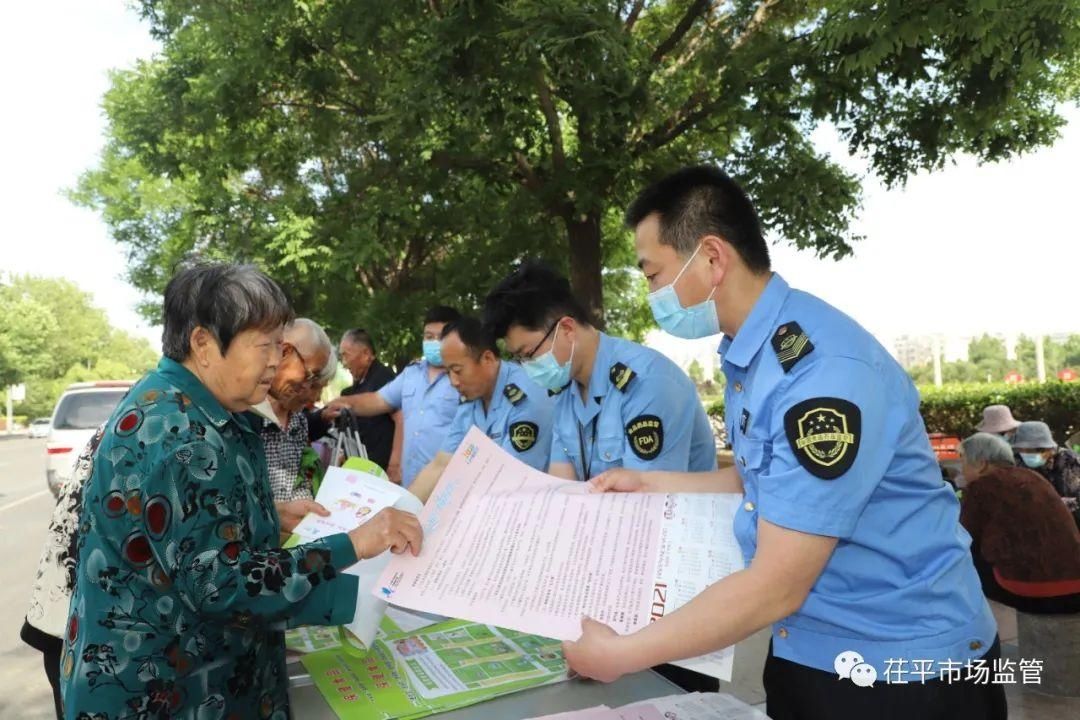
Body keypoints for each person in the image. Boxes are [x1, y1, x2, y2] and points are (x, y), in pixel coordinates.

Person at [564, 166, 1004, 719]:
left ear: (711, 258)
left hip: (905, 666)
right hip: (810, 646)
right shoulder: (754, 353)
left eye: (653, 274)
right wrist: (646, 480)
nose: (652, 294)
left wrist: (621, 653)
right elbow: (758, 478)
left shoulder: (818, 374)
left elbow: (776, 585)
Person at [60, 263, 422, 719]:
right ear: (204, 344)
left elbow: (186, 524)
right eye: (265, 345)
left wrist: (266, 512)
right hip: (162, 694)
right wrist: (352, 544)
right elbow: (226, 587)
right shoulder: (177, 432)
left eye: (281, 344)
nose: (276, 360)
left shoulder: (190, 406)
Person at [483, 261, 717, 483]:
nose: (527, 367)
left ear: (566, 329)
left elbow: (647, 500)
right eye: (519, 359)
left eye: (529, 354)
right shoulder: (567, 393)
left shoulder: (646, 383)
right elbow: (562, 485)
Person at [409, 317, 555, 502]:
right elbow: (440, 465)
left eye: (458, 370)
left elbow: (511, 481)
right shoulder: (472, 398)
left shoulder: (526, 400)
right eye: (448, 372)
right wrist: (403, 509)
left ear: (487, 359)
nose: (453, 382)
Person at [326, 306, 462, 488]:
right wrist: (344, 403)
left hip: (448, 486)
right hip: (410, 484)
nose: (434, 342)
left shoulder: (464, 378)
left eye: (441, 337)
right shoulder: (411, 374)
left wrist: (394, 462)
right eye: (429, 337)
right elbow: (377, 400)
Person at [958, 433, 1080, 613]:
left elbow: (963, 536)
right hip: (1074, 584)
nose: (961, 469)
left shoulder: (982, 487)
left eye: (964, 461)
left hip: (1039, 595)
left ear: (982, 464)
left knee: (961, 558)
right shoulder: (1032, 476)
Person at [252, 318, 335, 504]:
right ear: (286, 352)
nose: (306, 387)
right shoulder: (243, 415)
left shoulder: (299, 422)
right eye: (308, 375)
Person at [308, 329, 398, 470]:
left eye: (346, 356)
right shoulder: (356, 387)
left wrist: (395, 463)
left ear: (366, 354)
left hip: (380, 467)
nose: (343, 363)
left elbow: (401, 419)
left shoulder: (385, 381)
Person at [1011, 420, 1080, 518]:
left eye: (1036, 450)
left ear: (1049, 448)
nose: (1028, 454)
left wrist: (1050, 505)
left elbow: (1077, 499)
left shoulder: (1070, 461)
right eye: (1023, 450)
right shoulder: (1017, 461)